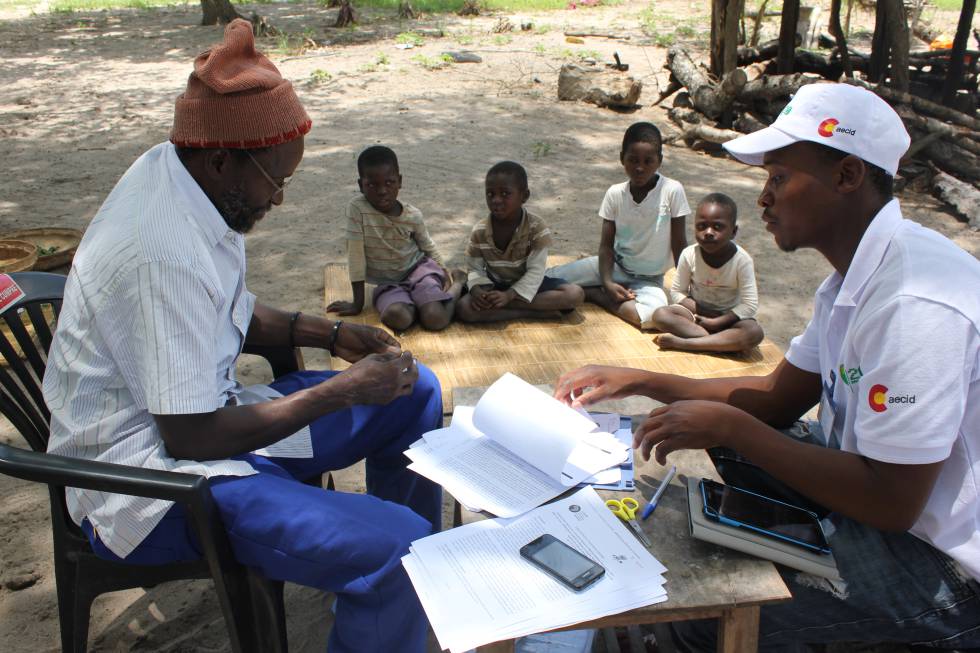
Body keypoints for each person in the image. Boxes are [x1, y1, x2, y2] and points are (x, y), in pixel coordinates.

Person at [41, 21, 441, 653]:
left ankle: (394, 592)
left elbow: (223, 310)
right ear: (222, 159)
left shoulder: (184, 172)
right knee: (401, 546)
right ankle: (392, 575)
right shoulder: (159, 253)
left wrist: (332, 331)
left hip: (207, 420)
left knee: (416, 391)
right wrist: (341, 391)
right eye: (275, 180)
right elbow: (192, 437)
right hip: (156, 481)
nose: (278, 199)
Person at [554, 83, 980, 651]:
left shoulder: (913, 302)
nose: (763, 198)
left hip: (944, 561)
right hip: (885, 500)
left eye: (779, 177)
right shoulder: (851, 281)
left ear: (848, 176)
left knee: (710, 609)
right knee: (725, 454)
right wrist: (642, 379)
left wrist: (731, 427)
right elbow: (778, 398)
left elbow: (893, 503)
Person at [547, 121, 689, 329]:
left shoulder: (672, 191)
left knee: (651, 318)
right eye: (633, 160)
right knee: (548, 279)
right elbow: (606, 246)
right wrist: (607, 281)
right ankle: (600, 287)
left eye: (648, 161)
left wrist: (685, 289)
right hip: (614, 267)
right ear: (622, 158)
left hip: (649, 280)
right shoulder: (615, 193)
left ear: (659, 160)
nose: (640, 168)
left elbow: (679, 244)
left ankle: (595, 295)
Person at [327, 145, 464, 332]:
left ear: (399, 181)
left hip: (420, 272)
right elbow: (355, 256)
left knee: (435, 319)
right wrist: (357, 304)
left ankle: (459, 283)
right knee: (397, 317)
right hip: (388, 284)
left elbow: (428, 246)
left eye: (389, 182)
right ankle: (418, 303)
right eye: (372, 185)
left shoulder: (412, 215)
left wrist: (445, 273)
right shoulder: (357, 209)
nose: (382, 191)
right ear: (360, 185)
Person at [455, 161, 584, 323]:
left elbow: (536, 271)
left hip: (529, 284)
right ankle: (533, 313)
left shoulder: (536, 228)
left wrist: (509, 296)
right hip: (495, 285)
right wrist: (476, 290)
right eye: (490, 194)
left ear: (524, 196)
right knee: (464, 308)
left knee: (574, 294)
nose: (496, 200)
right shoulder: (479, 231)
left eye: (505, 194)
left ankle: (506, 306)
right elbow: (474, 268)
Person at [650, 192, 764, 352]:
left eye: (717, 227)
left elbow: (749, 304)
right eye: (701, 226)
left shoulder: (742, 260)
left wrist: (718, 321)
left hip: (728, 318)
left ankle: (686, 344)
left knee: (754, 332)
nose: (708, 232)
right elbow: (677, 292)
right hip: (696, 316)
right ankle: (722, 343)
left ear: (733, 231)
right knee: (661, 315)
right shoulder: (689, 254)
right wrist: (704, 314)